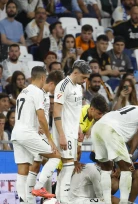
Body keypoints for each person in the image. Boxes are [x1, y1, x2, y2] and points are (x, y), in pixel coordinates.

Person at [11, 66, 62, 202]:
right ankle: (39, 186)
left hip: (16, 133)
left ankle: (25, 202)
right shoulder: (37, 92)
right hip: (28, 133)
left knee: (22, 171)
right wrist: (50, 139)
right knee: (56, 155)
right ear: (43, 78)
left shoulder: (23, 92)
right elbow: (41, 117)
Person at [91, 105, 138, 204]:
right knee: (124, 170)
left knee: (108, 170)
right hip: (110, 130)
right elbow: (93, 156)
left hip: (98, 127)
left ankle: (112, 201)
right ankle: (123, 202)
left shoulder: (132, 112)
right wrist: (128, 157)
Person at [53, 60, 92, 204]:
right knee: (68, 166)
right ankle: (63, 199)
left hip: (72, 131)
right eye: (84, 77)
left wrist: (79, 127)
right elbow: (56, 111)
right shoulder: (63, 86)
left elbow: (75, 110)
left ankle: (59, 198)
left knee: (67, 166)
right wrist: (61, 135)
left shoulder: (79, 87)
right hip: (63, 132)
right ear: (75, 72)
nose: (85, 80)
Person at [26, 71, 64, 204]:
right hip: (36, 135)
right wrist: (35, 125)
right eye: (57, 87)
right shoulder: (38, 93)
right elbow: (32, 113)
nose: (57, 91)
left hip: (40, 135)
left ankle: (37, 196)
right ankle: (35, 192)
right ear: (52, 83)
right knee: (50, 158)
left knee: (38, 166)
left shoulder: (45, 94)